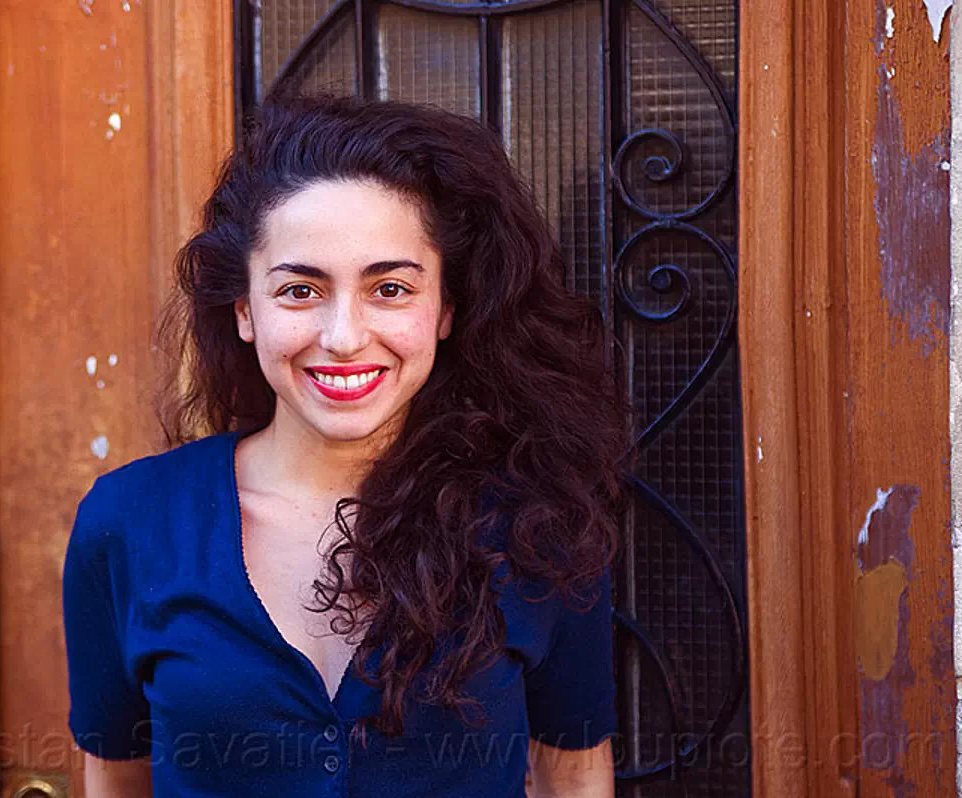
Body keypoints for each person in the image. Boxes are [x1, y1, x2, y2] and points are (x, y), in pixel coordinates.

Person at [62, 90, 628, 798]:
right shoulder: (130, 522)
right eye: (300, 291)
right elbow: (117, 778)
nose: (343, 337)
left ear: (445, 309)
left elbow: (573, 776)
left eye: (390, 288)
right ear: (245, 311)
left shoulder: (534, 523)